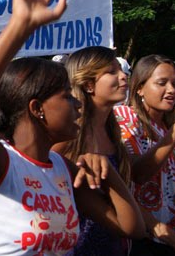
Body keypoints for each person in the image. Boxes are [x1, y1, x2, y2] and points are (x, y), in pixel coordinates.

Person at [0, 0, 145, 255]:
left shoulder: (64, 169)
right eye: (66, 96)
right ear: (37, 109)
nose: (77, 104)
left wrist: (109, 172)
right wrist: (19, 27)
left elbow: (130, 227)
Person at [114, 54, 175, 256]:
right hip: (144, 241)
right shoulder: (124, 119)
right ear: (139, 88)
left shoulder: (164, 129)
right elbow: (138, 173)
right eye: (162, 83)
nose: (171, 90)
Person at [51, 46, 132, 256]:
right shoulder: (67, 136)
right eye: (112, 71)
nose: (123, 76)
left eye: (121, 71)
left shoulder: (112, 131)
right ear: (88, 85)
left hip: (113, 245)